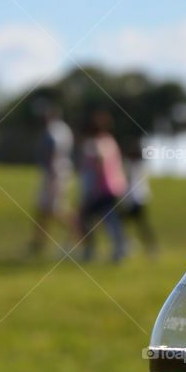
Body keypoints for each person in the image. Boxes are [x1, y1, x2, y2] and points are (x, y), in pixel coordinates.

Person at [78, 109, 127, 262]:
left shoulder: (95, 143)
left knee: (87, 219)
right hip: (113, 187)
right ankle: (117, 249)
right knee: (110, 221)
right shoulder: (110, 141)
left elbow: (99, 165)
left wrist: (92, 189)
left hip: (100, 189)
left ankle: (92, 250)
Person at [30, 102, 75, 254]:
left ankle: (80, 234)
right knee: (42, 209)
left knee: (55, 209)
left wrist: (52, 175)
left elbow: (54, 150)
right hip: (55, 172)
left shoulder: (56, 129)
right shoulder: (61, 129)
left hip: (55, 173)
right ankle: (38, 244)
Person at [122, 138, 158, 254]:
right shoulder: (133, 164)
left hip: (137, 200)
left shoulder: (137, 166)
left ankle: (150, 247)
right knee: (139, 225)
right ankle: (146, 246)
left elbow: (134, 185)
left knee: (141, 225)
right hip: (135, 199)